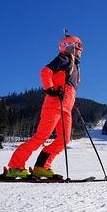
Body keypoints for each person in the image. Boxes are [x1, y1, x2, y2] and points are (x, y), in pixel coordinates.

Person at [4, 34, 83, 178]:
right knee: (41, 137)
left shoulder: (74, 65)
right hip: (53, 105)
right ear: (70, 46)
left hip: (66, 108)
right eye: (78, 46)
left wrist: (71, 100)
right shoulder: (63, 59)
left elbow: (68, 86)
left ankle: (41, 166)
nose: (81, 50)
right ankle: (15, 166)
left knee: (64, 140)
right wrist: (50, 89)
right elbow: (45, 72)